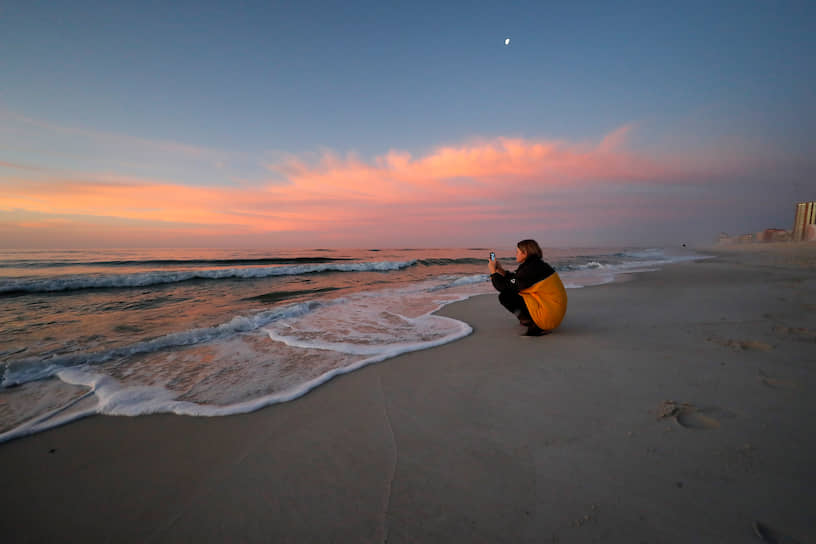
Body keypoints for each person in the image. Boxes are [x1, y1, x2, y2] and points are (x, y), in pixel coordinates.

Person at [488, 239, 568, 336]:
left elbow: (503, 287)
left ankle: (536, 325)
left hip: (549, 316)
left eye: (517, 252)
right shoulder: (535, 265)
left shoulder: (531, 268)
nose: (515, 254)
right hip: (551, 309)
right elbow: (514, 280)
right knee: (510, 293)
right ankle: (528, 320)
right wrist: (501, 271)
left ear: (525, 253)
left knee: (506, 296)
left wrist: (493, 272)